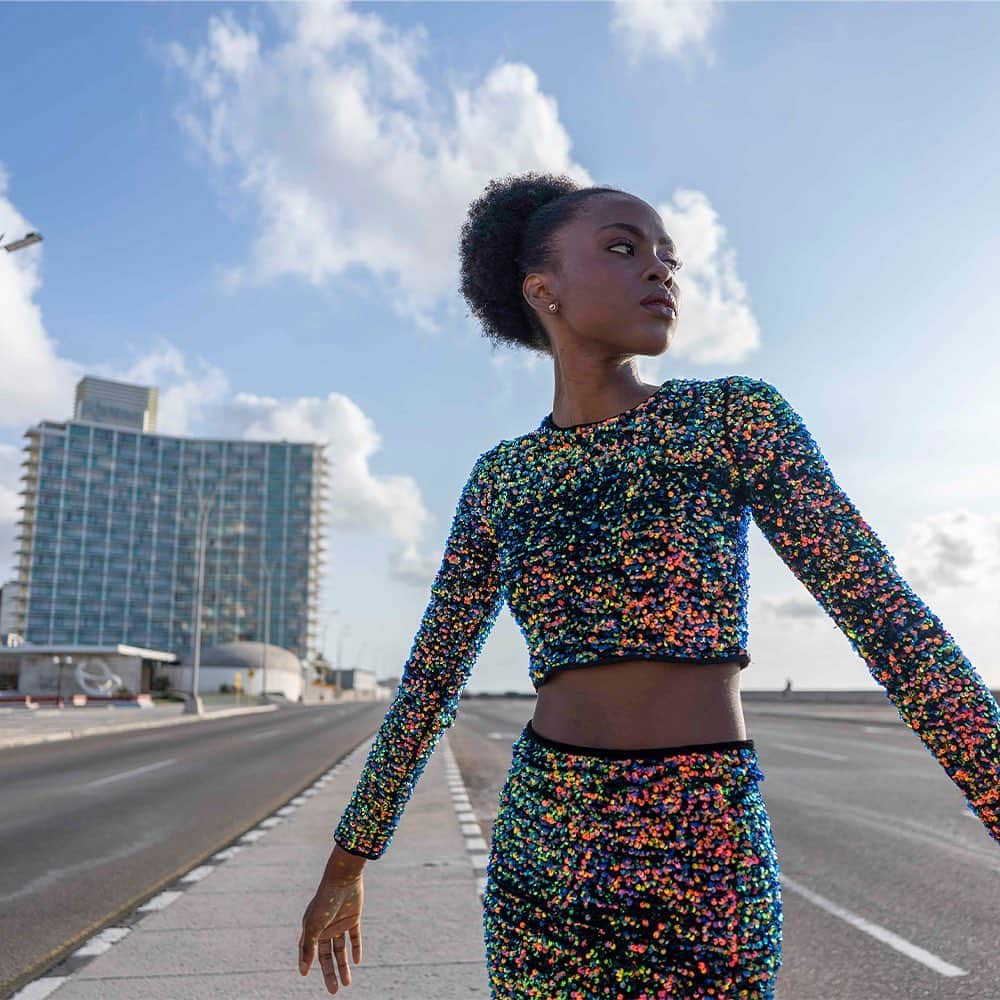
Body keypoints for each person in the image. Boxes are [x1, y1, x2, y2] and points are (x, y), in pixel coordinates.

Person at [298, 172, 1000, 998]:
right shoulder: (503, 479)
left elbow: (884, 615)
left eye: (669, 257)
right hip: (547, 849)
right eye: (624, 249)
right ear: (542, 289)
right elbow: (429, 683)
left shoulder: (735, 419)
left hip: (705, 843)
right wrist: (349, 861)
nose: (661, 271)